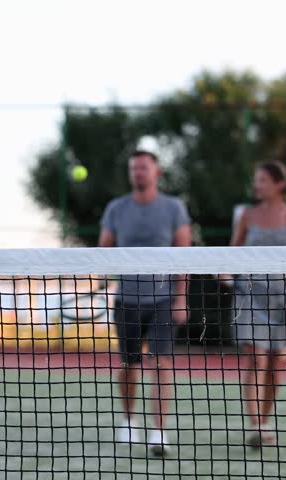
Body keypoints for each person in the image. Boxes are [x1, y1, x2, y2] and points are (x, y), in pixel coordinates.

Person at [98, 150, 191, 456]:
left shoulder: (174, 208)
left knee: (161, 363)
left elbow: (183, 256)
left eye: (143, 168)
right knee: (129, 364)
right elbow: (104, 248)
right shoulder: (116, 208)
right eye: (134, 168)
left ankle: (159, 432)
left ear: (156, 172)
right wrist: (102, 277)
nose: (138, 172)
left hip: (164, 300)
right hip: (126, 299)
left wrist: (181, 298)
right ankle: (128, 421)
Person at [229, 161, 286, 447]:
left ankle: (265, 421)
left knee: (276, 364)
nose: (257, 185)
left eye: (263, 180)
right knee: (256, 359)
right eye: (256, 180)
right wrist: (224, 272)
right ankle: (256, 425)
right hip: (249, 292)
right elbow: (232, 251)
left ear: (279, 184)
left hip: (282, 294)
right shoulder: (247, 215)